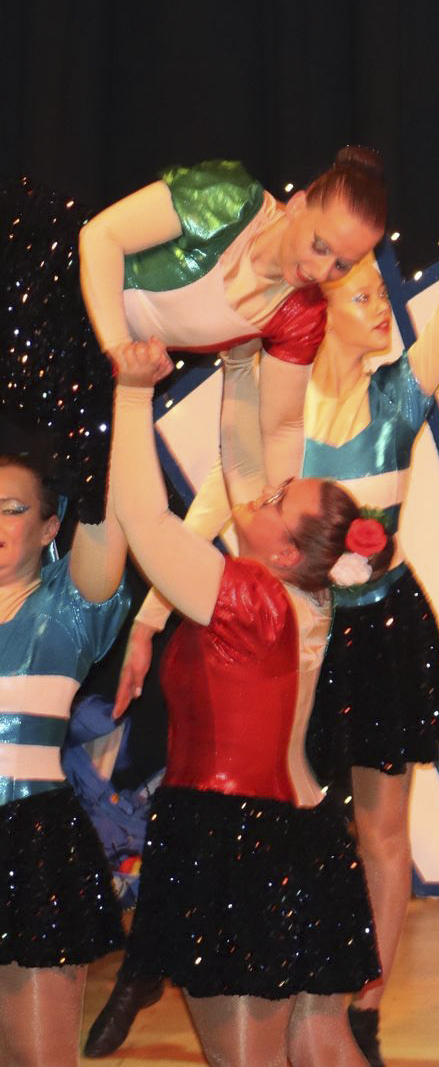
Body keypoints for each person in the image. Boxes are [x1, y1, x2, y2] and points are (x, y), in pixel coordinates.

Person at [96, 107, 439, 1065]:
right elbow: (213, 503)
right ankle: (178, 963)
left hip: (374, 631)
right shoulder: (283, 409)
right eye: (360, 290)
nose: (381, 307)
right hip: (276, 634)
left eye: (377, 288)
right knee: (251, 790)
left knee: (370, 825)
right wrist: (151, 620)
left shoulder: (400, 397)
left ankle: (357, 1001)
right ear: (322, 305)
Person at [107, 335, 390, 1066]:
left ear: (286, 551)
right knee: (320, 1040)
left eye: (277, 500)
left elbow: (143, 521)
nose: (260, 493)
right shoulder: (307, 594)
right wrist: (239, 363)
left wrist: (132, 394)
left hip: (232, 837)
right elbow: (242, 471)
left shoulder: (248, 598)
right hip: (308, 832)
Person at [78, 147, 389, 491]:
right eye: (320, 246)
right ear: (298, 206)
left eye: (342, 265)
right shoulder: (228, 200)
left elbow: (282, 428)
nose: (321, 271)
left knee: (106, 501)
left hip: (104, 366)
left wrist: (281, 503)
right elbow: (100, 237)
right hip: (62, 287)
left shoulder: (302, 313)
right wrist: (118, 345)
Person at [0, 451, 131, 1066]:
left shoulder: (68, 608)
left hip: (29, 843)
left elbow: (108, 522)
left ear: (50, 526)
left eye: (12, 509)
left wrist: (115, 412)